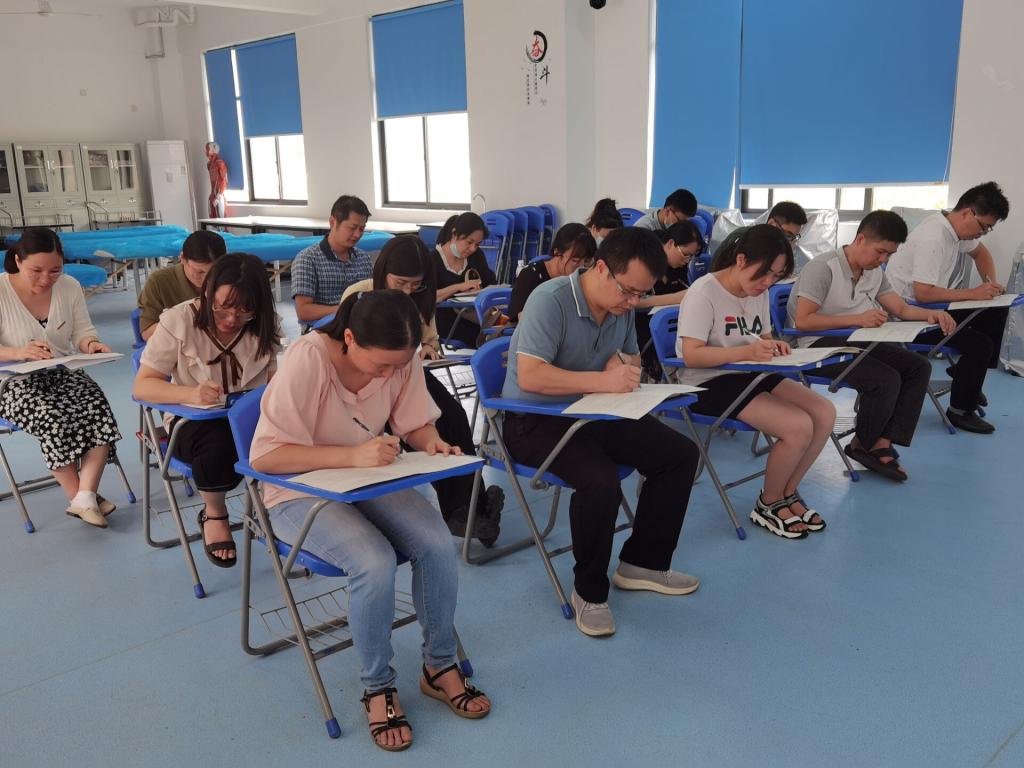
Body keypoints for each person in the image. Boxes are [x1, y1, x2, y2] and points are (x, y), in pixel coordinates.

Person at [250, 290, 492, 751]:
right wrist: (351, 456)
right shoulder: (309, 359)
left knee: (438, 543)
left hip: (368, 479)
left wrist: (432, 442)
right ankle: (378, 685)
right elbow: (267, 456)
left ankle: (439, 665)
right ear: (348, 338)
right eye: (380, 365)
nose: (387, 375)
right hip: (297, 491)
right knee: (374, 561)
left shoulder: (401, 358)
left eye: (397, 366)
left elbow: (412, 422)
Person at [501, 227, 701, 638]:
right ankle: (589, 592)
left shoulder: (621, 306)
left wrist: (621, 367)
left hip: (594, 411)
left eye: (641, 295)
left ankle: (642, 562)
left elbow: (629, 358)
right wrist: (602, 379)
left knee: (679, 454)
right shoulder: (550, 300)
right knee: (600, 479)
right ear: (603, 269)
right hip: (533, 420)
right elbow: (531, 375)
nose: (633, 303)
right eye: (628, 291)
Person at [341, 236, 505, 544]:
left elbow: (430, 339)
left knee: (453, 415)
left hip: (407, 372)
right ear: (383, 272)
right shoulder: (358, 295)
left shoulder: (420, 300)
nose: (407, 291)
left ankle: (473, 506)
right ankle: (464, 511)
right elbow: (346, 350)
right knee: (421, 426)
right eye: (400, 283)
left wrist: (429, 348)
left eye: (415, 285)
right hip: (367, 380)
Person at [677, 224, 836, 539]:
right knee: (797, 426)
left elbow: (761, 337)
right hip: (709, 382)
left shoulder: (758, 292)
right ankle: (769, 502)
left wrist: (773, 345)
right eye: (763, 274)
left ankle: (788, 492)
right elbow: (691, 356)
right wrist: (747, 352)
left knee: (824, 412)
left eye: (775, 277)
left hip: (750, 372)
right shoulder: (704, 293)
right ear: (740, 260)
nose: (767, 283)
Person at [134, 253, 281, 566]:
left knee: (290, 437)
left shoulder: (267, 323)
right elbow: (142, 386)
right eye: (223, 307)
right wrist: (192, 393)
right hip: (193, 423)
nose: (231, 319)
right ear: (208, 293)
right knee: (219, 443)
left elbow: (275, 383)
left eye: (244, 311)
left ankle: (279, 507)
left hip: (249, 421)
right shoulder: (178, 320)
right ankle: (215, 513)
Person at [788, 211, 955, 481]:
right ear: (860, 239)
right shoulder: (824, 268)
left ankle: (881, 441)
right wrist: (857, 319)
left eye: (889, 254)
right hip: (816, 344)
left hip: (855, 338)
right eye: (880, 252)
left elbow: (900, 308)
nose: (883, 260)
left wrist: (931, 314)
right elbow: (803, 321)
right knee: (885, 379)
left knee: (918, 367)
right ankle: (862, 445)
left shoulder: (874, 272)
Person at [0, 227, 122, 529]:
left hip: (61, 371)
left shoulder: (69, 287)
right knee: (52, 416)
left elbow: (82, 331)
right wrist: (18, 351)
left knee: (97, 407)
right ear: (18, 261)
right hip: (11, 382)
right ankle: (80, 496)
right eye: (36, 271)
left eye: (55, 270)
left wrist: (91, 344)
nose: (46, 278)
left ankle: (85, 497)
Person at [885, 181, 1011, 434]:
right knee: (979, 344)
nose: (982, 233)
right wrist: (973, 294)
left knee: (997, 310)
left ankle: (966, 373)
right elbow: (923, 293)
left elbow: (981, 254)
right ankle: (960, 411)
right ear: (967, 213)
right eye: (983, 227)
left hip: (931, 307)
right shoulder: (934, 237)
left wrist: (990, 284)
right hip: (908, 317)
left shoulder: (953, 230)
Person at [634, 220, 704, 380]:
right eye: (685, 254)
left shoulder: (679, 266)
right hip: (641, 322)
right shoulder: (645, 259)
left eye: (691, 256)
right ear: (671, 243)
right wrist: (674, 298)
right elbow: (633, 301)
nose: (687, 260)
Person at [292, 195, 374, 329]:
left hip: (361, 328)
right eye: (352, 228)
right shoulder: (307, 259)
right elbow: (303, 311)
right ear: (332, 222)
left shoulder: (363, 258)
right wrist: (344, 309)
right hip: (325, 330)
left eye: (361, 229)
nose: (357, 235)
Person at [137, 230, 227, 341]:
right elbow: (147, 332)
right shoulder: (159, 282)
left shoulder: (232, 279)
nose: (207, 279)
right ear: (182, 258)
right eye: (199, 272)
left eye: (214, 272)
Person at [508, 223, 596, 322]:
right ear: (557, 252)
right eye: (575, 261)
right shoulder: (530, 275)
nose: (581, 267)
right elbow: (519, 317)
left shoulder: (582, 279)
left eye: (587, 262)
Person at [432, 212, 496, 348]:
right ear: (454, 234)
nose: (472, 249)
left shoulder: (476, 256)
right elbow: (428, 297)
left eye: (477, 244)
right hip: (447, 324)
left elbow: (489, 283)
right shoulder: (432, 260)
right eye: (469, 242)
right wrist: (458, 287)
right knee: (489, 340)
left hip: (476, 319)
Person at [711, 200, 808, 271]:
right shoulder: (746, 241)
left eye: (794, 237)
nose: (790, 243)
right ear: (772, 224)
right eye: (788, 235)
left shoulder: (771, 244)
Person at [634, 188, 699, 232]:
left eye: (685, 222)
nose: (681, 225)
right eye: (679, 221)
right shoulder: (644, 228)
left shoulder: (672, 226)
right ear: (668, 211)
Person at [205, 142, 228, 218]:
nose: (206, 151)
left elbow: (224, 180)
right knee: (212, 218)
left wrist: (219, 195)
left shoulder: (220, 163)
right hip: (212, 195)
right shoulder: (209, 164)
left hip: (219, 196)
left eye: (208, 149)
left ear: (213, 150)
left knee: (221, 220)